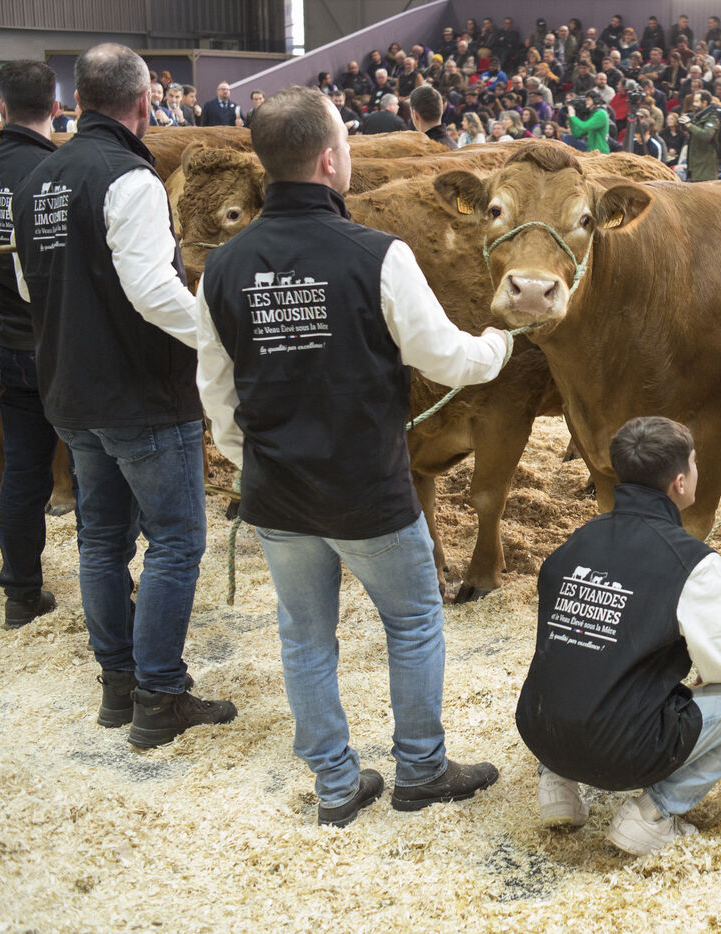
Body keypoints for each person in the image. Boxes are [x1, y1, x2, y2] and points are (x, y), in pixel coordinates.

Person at [195, 86, 512, 827]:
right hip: (367, 488)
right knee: (414, 622)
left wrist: (253, 463)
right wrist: (499, 343)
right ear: (331, 161)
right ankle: (421, 770)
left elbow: (215, 394)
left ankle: (336, 784)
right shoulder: (378, 254)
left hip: (279, 491)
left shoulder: (223, 267)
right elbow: (444, 357)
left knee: (305, 638)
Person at [10, 44, 236, 746]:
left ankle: (118, 684)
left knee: (102, 540)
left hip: (69, 390)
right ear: (143, 103)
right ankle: (159, 695)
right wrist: (219, 340)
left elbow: (27, 288)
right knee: (176, 540)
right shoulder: (130, 177)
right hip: (140, 393)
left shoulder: (38, 180)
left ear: (77, 101)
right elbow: (152, 291)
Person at [515, 416, 721, 856]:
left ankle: (556, 786)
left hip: (539, 729)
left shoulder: (574, 542)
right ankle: (653, 813)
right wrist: (708, 670)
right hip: (622, 753)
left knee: (577, 657)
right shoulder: (692, 561)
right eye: (695, 463)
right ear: (680, 483)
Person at [0, 62, 63, 630]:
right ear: (57, 108)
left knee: (22, 469)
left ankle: (20, 593)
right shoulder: (55, 173)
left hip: (3, 345)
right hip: (60, 346)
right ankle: (114, 594)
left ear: (1, 106)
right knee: (94, 473)